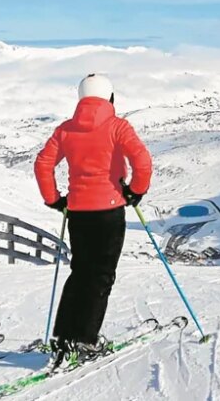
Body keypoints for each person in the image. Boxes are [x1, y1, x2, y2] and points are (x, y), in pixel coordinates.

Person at [34, 73, 152, 369]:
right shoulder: (117, 127)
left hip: (77, 212)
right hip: (110, 210)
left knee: (80, 272)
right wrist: (135, 191)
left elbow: (43, 163)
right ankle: (85, 339)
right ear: (110, 98)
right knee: (100, 276)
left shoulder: (65, 130)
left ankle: (63, 336)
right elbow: (143, 161)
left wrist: (54, 199)